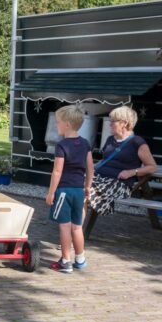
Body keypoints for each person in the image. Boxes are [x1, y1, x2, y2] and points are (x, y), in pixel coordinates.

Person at [45, 105, 94, 273]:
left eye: (57, 122)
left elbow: (57, 171)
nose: (56, 125)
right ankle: (80, 259)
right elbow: (90, 168)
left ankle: (66, 261)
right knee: (77, 227)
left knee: (65, 227)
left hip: (63, 191)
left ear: (66, 124)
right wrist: (87, 186)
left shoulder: (62, 145)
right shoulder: (86, 144)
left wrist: (51, 192)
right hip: (79, 191)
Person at [89, 106, 157, 216]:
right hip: (99, 177)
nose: (109, 124)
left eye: (112, 121)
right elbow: (106, 160)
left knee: (84, 191)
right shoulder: (110, 139)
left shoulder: (137, 142)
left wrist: (131, 172)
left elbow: (152, 167)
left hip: (118, 183)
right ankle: (76, 230)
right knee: (76, 183)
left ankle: (76, 230)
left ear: (124, 123)